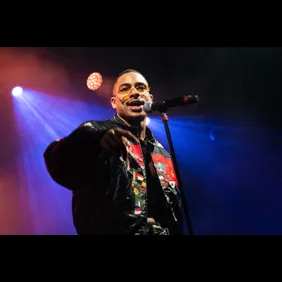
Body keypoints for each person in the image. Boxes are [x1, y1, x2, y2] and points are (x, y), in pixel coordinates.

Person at [43, 69, 183, 235]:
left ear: (150, 99)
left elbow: (172, 211)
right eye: (125, 89)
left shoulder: (161, 152)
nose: (134, 93)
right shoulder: (95, 131)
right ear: (113, 102)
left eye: (140, 87)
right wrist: (93, 141)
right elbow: (58, 163)